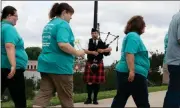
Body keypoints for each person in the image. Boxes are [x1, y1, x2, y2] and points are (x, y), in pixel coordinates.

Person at [32, 3, 85, 108]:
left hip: (46, 65)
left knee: (44, 94)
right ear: (64, 12)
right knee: (66, 97)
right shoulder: (63, 24)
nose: (71, 17)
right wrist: (77, 53)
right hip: (60, 66)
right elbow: (63, 44)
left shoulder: (49, 24)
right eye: (70, 14)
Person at [111, 15, 150, 108]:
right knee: (143, 103)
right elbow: (129, 53)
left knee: (120, 100)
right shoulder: (133, 36)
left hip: (125, 72)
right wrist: (132, 71)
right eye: (144, 25)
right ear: (139, 25)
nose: (145, 27)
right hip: (134, 74)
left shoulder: (131, 36)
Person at [1, 6, 28, 108]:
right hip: (12, 70)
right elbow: (9, 46)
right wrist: (13, 65)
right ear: (9, 16)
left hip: (2, 67)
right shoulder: (8, 28)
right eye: (16, 16)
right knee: (20, 101)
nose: (17, 18)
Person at [83, 28, 112, 105]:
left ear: (98, 34)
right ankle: (89, 98)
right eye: (93, 33)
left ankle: (95, 99)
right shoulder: (88, 41)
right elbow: (85, 50)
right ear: (91, 34)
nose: (94, 34)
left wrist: (103, 50)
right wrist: (92, 52)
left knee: (97, 82)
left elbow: (109, 50)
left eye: (96, 33)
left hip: (99, 62)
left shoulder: (101, 42)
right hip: (90, 62)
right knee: (89, 82)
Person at [163, 11, 180, 108]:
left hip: (173, 60)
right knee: (175, 92)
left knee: (173, 90)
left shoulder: (176, 17)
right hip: (178, 61)